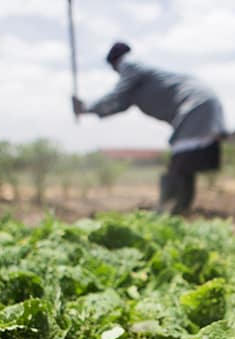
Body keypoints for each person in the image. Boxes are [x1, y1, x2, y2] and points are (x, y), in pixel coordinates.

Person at [72, 42, 226, 215]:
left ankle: (169, 211)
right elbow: (120, 103)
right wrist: (88, 109)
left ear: (114, 62)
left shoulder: (129, 64)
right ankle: (180, 209)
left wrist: (85, 107)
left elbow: (118, 95)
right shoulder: (138, 72)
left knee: (180, 163)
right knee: (184, 163)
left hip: (195, 104)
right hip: (201, 102)